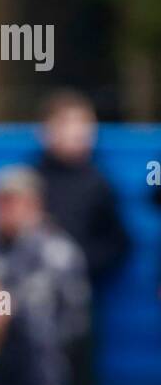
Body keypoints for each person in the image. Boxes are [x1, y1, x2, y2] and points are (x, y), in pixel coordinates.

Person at [0, 166, 90, 385]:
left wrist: (14, 322)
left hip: (40, 371)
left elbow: (75, 321)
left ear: (35, 205)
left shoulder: (58, 253)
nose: (6, 210)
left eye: (14, 202)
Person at [36, 91, 129, 287]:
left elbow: (117, 243)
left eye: (84, 124)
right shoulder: (28, 180)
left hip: (79, 291)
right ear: (46, 130)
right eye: (66, 123)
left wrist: (77, 261)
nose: (77, 132)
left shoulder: (99, 183)